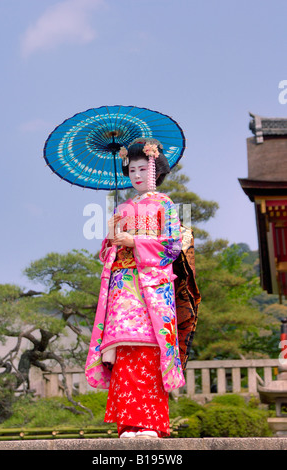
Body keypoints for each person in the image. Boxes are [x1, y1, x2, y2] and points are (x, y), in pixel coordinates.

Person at [85, 138, 188, 439]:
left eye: (143, 168)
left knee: (149, 350)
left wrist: (135, 242)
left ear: (156, 168)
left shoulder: (165, 204)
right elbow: (106, 255)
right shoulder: (124, 208)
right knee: (125, 352)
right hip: (123, 288)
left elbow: (173, 247)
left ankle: (151, 424)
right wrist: (112, 238)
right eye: (131, 170)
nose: (137, 175)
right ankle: (127, 424)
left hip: (152, 289)